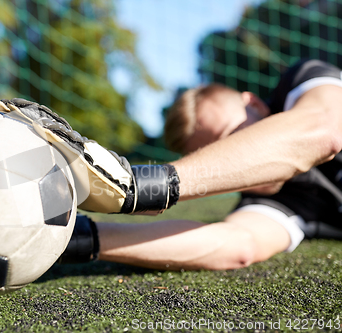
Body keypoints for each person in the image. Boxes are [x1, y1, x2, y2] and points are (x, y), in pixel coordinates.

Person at [56, 59, 342, 270]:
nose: (230, 164)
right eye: (214, 155)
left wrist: (137, 186)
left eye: (232, 139)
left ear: (254, 105)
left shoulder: (304, 80)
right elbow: (238, 244)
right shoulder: (269, 201)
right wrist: (72, 236)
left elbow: (323, 130)